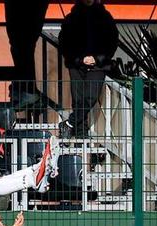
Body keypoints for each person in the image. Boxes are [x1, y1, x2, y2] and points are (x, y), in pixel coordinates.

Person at [58, 0, 118, 139]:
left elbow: (112, 42)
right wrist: (79, 59)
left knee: (91, 96)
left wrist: (97, 59)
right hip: (76, 64)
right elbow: (64, 43)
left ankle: (70, 123)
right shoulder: (71, 18)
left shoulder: (105, 17)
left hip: (98, 65)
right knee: (78, 100)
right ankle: (80, 134)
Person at [4, 0, 49, 109]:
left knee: (22, 49)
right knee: (22, 49)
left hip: (25, 21)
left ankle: (27, 90)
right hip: (27, 21)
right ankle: (26, 89)